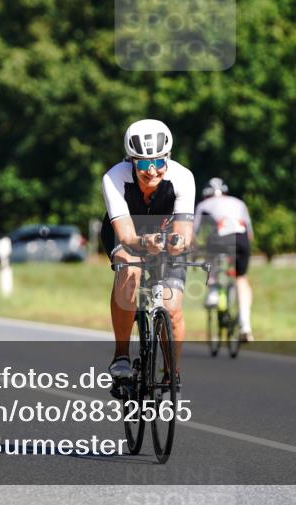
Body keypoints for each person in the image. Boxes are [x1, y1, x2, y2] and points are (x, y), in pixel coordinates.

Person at [101, 119, 195, 387]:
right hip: (127, 233)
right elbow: (127, 235)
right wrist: (145, 242)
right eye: (143, 163)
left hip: (165, 235)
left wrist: (177, 242)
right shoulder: (115, 177)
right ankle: (121, 355)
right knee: (129, 269)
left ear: (168, 157)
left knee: (173, 309)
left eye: (159, 161)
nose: (152, 170)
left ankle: (171, 371)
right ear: (131, 161)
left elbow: (184, 231)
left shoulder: (182, 177)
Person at [194, 178, 255, 341]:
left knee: (209, 248)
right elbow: (250, 233)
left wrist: (194, 251)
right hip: (242, 239)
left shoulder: (203, 205)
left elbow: (194, 232)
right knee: (241, 279)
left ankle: (213, 289)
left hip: (220, 237)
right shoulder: (239, 202)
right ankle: (245, 324)